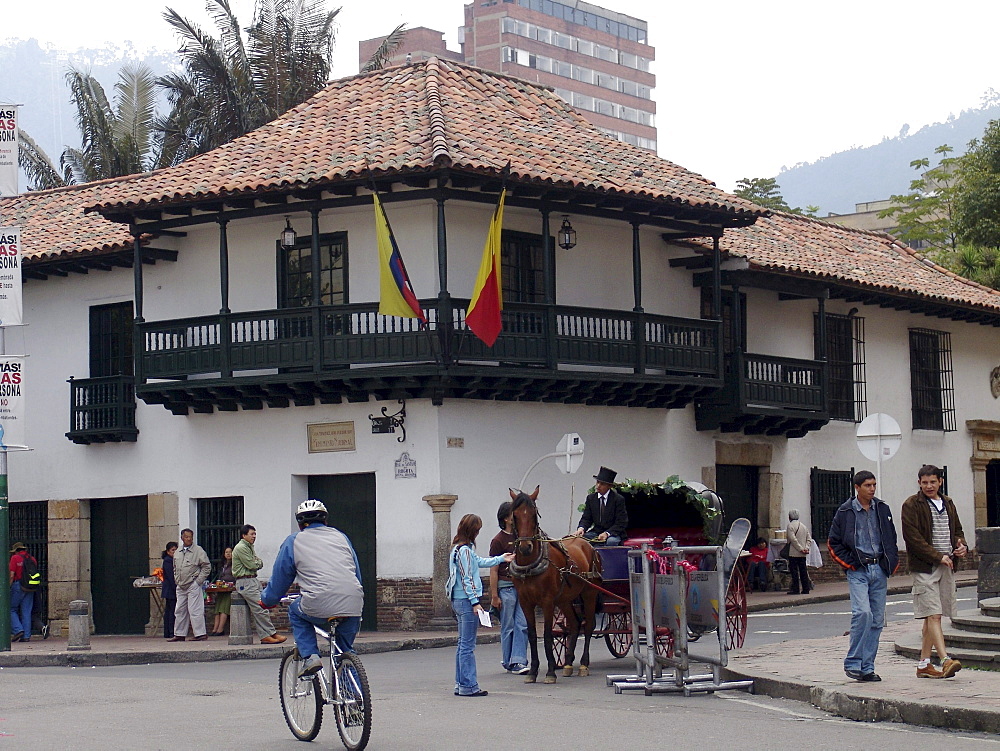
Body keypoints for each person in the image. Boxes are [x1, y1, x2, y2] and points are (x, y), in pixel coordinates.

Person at [262, 500, 363, 677]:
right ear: (325, 520)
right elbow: (356, 573)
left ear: (300, 523)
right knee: (345, 650)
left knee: (295, 611)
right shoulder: (341, 537)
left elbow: (281, 576)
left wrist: (267, 600)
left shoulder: (294, 540)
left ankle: (310, 656)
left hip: (318, 602)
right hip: (353, 601)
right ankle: (354, 699)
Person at [828, 470, 899, 682]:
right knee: (863, 614)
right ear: (857, 487)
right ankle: (853, 662)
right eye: (868, 485)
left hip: (879, 568)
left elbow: (891, 537)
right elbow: (834, 542)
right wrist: (849, 563)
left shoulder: (882, 508)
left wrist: (891, 562)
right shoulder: (845, 511)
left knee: (877, 620)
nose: (872, 489)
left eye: (874, 485)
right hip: (858, 569)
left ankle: (867, 667)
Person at [901, 464, 967, 679]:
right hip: (925, 567)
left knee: (933, 616)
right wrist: (937, 556)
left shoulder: (948, 503)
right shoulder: (911, 505)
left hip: (947, 564)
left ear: (940, 482)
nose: (929, 486)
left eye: (933, 482)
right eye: (924, 482)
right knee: (934, 614)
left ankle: (923, 664)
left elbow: (957, 529)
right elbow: (913, 538)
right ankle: (945, 659)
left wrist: (960, 545)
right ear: (919, 483)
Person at [447, 513, 514, 697]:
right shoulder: (465, 551)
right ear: (473, 531)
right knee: (467, 646)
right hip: (467, 601)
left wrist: (501, 558)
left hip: (458, 600)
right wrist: (475, 603)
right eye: (477, 530)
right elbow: (467, 578)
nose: (478, 533)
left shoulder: (458, 549)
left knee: (462, 644)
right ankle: (469, 685)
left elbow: (480, 562)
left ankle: (461, 684)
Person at [488, 501, 530, 675]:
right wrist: (494, 595)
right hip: (505, 587)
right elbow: (494, 569)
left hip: (521, 586)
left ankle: (518, 660)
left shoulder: (520, 536)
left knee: (522, 623)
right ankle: (509, 660)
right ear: (506, 518)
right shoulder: (498, 540)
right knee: (509, 625)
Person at [232, 525, 285, 644]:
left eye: (255, 534)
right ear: (244, 535)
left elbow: (258, 562)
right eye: (252, 534)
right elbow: (252, 564)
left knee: (263, 606)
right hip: (245, 581)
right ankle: (270, 634)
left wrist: (257, 562)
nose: (254, 536)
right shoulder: (241, 548)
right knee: (260, 608)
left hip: (252, 579)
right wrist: (257, 562)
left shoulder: (249, 547)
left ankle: (267, 634)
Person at [169, 528, 211, 642]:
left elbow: (206, 567)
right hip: (181, 585)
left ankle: (200, 634)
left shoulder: (198, 550)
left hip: (193, 583)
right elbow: (175, 567)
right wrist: (176, 579)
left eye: (191, 537)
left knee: (195, 610)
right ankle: (179, 634)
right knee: (179, 610)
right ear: (182, 538)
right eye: (186, 537)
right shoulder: (177, 551)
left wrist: (198, 581)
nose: (189, 539)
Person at [574, 466, 628, 546]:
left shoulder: (618, 499)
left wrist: (607, 533)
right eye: (597, 482)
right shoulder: (591, 498)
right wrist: (581, 528)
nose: (598, 486)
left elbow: (621, 522)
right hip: (596, 532)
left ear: (609, 486)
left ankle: (609, 558)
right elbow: (586, 518)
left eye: (602, 484)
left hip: (613, 534)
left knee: (611, 542)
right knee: (581, 540)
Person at [9, 542, 36, 643]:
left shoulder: (15, 558)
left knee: (11, 609)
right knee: (26, 611)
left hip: (18, 585)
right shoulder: (32, 559)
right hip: (30, 587)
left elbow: (12, 575)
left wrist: (8, 587)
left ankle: (18, 629)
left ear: (16, 550)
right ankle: (26, 636)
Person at [210, 546, 236, 637]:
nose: (228, 554)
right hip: (221, 589)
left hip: (229, 589)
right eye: (226, 552)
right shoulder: (222, 565)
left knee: (224, 609)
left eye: (230, 552)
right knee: (217, 609)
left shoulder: (234, 564)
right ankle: (215, 628)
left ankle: (220, 629)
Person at [785, 510, 812, 595]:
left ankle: (796, 589)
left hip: (794, 552)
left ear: (789, 517)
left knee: (794, 571)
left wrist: (800, 548)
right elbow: (809, 539)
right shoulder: (803, 526)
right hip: (803, 553)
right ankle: (806, 589)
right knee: (803, 571)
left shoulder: (790, 526)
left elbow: (793, 539)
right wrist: (806, 548)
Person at [161, 542, 178, 640]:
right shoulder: (168, 561)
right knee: (171, 611)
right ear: (168, 551)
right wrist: (175, 588)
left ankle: (168, 631)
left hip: (170, 589)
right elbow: (171, 576)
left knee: (170, 610)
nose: (174, 552)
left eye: (176, 550)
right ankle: (171, 631)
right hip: (170, 589)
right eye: (172, 550)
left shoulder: (171, 560)